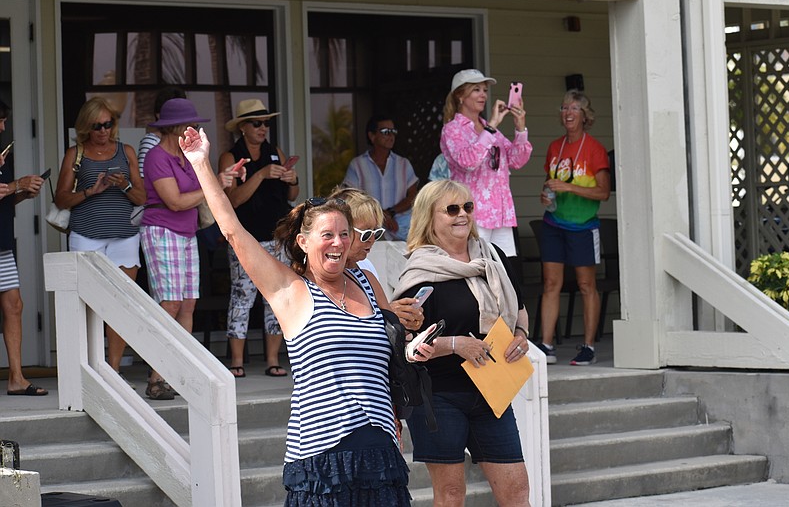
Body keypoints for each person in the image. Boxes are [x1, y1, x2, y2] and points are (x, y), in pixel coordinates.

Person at [178, 126, 437, 505]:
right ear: (303, 241)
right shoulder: (290, 290)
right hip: (321, 458)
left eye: (345, 234)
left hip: (381, 449)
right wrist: (201, 162)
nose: (338, 243)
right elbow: (233, 232)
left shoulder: (366, 282)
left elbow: (391, 353)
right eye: (327, 235)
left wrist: (414, 351)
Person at [393, 179, 532, 507]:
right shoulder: (421, 270)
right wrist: (456, 344)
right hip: (439, 394)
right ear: (430, 216)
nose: (463, 215)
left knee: (517, 491)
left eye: (468, 207)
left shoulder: (492, 256)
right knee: (451, 495)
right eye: (452, 209)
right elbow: (409, 345)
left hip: (491, 388)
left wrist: (522, 337)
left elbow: (519, 309)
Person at [54, 97, 146, 378]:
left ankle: (114, 371)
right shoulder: (75, 154)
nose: (103, 131)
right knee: (86, 305)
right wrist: (89, 192)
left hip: (124, 237)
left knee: (121, 303)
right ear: (86, 128)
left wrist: (125, 184)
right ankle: (88, 369)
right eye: (97, 126)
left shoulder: (126, 151)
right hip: (86, 235)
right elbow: (61, 199)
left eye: (108, 124)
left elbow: (143, 197)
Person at [219, 99, 299, 378]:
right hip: (246, 238)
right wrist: (262, 174)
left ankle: (273, 360)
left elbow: (291, 197)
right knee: (242, 297)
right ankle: (237, 361)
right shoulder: (232, 157)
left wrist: (291, 179)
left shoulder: (274, 151)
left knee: (276, 298)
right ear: (242, 127)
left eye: (266, 122)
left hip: (278, 236)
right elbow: (233, 199)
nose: (263, 127)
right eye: (257, 123)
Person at [139, 97, 210, 400]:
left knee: (188, 303)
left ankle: (178, 373)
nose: (193, 129)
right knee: (169, 303)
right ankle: (157, 377)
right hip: (161, 230)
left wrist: (223, 180)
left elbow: (199, 193)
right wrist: (212, 185)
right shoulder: (156, 156)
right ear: (175, 128)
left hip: (186, 231)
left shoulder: (187, 156)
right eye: (190, 124)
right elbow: (176, 201)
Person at [537, 89, 611, 366]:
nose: (568, 113)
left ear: (585, 116)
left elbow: (603, 192)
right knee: (550, 283)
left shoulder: (594, 149)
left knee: (585, 284)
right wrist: (545, 195)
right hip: (554, 223)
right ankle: (546, 345)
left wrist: (568, 186)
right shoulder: (555, 147)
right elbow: (550, 182)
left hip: (583, 226)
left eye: (574, 109)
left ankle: (588, 347)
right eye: (564, 107)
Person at [440, 69, 531, 257]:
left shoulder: (490, 129)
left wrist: (520, 126)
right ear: (460, 96)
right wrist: (490, 127)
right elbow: (469, 161)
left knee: (503, 270)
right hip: (471, 213)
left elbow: (517, 160)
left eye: (484, 90)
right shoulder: (452, 129)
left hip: (501, 212)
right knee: (477, 268)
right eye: (476, 90)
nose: (483, 94)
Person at [327, 186, 425, 333]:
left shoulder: (366, 267)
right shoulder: (323, 271)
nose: (372, 240)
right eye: (366, 233)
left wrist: (403, 320)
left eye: (377, 232)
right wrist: (387, 313)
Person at [0, 100, 48, 396]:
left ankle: (17, 378)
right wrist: (18, 183)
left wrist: (21, 194)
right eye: (0, 120)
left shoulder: (2, 158)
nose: (4, 126)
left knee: (14, 305)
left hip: (2, 242)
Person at [344, 114, 418, 241]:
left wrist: (390, 213)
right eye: (385, 132)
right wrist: (379, 215)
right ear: (372, 136)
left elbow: (413, 196)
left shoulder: (403, 164)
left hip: (401, 232)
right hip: (369, 233)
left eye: (393, 131)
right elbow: (350, 198)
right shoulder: (357, 165)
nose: (391, 136)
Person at [138, 86, 187, 179]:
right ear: (158, 115)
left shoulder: (186, 142)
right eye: (171, 113)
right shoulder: (151, 141)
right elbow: (143, 180)